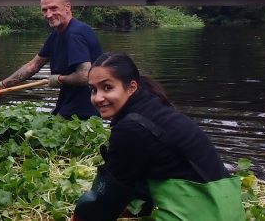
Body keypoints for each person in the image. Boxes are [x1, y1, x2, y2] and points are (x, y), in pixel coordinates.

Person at [72, 52, 245, 221]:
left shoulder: (131, 128)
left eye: (107, 87)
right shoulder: (154, 108)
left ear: (131, 87)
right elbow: (138, 181)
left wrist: (79, 216)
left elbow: (106, 197)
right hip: (228, 210)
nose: (98, 98)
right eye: (93, 90)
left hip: (201, 213)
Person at [0, 0, 102, 119]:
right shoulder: (56, 35)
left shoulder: (75, 34)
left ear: (67, 7)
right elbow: (32, 66)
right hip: (68, 101)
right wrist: (1, 86)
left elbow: (85, 76)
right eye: (44, 10)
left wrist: (59, 79)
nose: (48, 14)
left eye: (53, 8)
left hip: (86, 107)